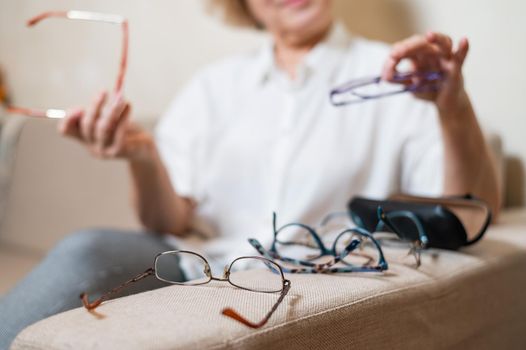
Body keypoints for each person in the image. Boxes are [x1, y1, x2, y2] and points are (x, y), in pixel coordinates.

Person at [0, 0, 500, 347]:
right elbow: (168, 218)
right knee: (87, 247)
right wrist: (144, 157)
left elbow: (472, 211)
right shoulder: (214, 88)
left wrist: (453, 110)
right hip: (196, 265)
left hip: (306, 273)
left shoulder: (397, 77)